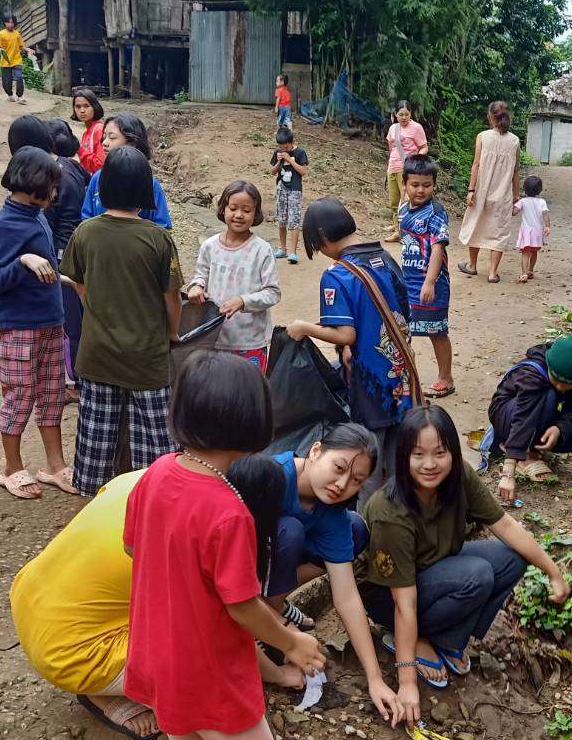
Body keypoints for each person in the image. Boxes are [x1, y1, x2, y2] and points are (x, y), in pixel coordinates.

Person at [125, 350, 325, 740]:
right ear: (251, 421)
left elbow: (133, 546)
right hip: (206, 669)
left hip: (158, 655)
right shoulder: (227, 510)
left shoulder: (157, 474)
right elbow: (241, 605)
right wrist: (291, 640)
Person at [10, 452, 290, 740]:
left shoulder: (151, 476)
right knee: (202, 657)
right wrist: (280, 673)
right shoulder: (200, 535)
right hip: (68, 651)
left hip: (31, 599)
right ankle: (99, 692)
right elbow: (228, 625)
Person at [360, 404, 570, 693]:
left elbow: (505, 525)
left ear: (453, 452)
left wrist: (553, 571)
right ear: (402, 455)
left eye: (440, 453)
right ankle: (413, 639)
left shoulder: (459, 477)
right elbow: (402, 603)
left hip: (435, 568)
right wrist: (406, 681)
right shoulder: (390, 512)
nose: (429, 464)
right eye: (418, 454)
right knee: (477, 574)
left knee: (512, 559)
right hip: (389, 595)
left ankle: (448, 640)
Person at [260, 425, 421, 724]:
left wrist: (375, 679)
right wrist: (285, 635)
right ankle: (270, 614)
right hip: (244, 563)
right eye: (338, 468)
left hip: (275, 563)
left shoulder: (330, 510)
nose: (342, 484)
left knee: (355, 528)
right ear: (316, 450)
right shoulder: (271, 479)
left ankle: (275, 602)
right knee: (290, 532)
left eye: (356, 480)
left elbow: (346, 595)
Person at [62, 146, 182, 495]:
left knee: (96, 441)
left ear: (103, 188)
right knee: (156, 442)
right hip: (148, 358)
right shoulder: (159, 239)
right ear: (146, 190)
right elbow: (171, 297)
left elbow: (78, 283)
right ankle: (153, 503)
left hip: (97, 356)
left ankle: (94, 504)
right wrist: (173, 332)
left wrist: (94, 309)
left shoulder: (85, 232)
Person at [286, 197, 412, 495]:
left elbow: (345, 334)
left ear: (323, 237)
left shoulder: (337, 274)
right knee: (398, 461)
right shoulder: (385, 257)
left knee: (365, 465)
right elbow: (402, 315)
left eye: (317, 246)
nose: (322, 253)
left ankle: (366, 519)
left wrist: (304, 328)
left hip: (369, 384)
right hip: (402, 378)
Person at [0, 146, 74, 499]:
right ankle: (11, 467)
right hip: (18, 325)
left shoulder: (37, 216)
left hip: (49, 321)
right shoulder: (3, 225)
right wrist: (24, 260)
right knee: (19, 396)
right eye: (51, 185)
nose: (55, 193)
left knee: (52, 395)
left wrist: (65, 280)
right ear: (35, 182)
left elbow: (44, 268)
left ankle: (55, 464)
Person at [489, 335, 572, 503]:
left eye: (568, 384)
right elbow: (523, 417)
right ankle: (521, 453)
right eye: (556, 379)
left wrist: (560, 428)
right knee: (549, 394)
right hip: (509, 416)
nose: (561, 386)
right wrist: (508, 472)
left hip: (539, 418)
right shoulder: (532, 373)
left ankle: (532, 445)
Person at [185, 181, 279, 372]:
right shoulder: (210, 246)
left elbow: (273, 293)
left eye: (246, 210)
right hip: (213, 338)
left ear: (256, 213)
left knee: (247, 389)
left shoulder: (262, 250)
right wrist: (196, 286)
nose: (239, 214)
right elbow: (200, 275)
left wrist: (243, 301)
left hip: (249, 341)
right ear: (223, 209)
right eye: (233, 208)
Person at [398, 154, 454, 398]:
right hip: (408, 282)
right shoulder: (403, 210)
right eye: (415, 184)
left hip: (433, 284)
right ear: (405, 185)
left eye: (427, 185)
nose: (421, 190)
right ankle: (403, 377)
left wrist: (429, 282)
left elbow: (438, 248)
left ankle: (446, 378)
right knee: (403, 330)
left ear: (434, 185)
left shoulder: (436, 213)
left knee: (436, 331)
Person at [43, 118, 87, 391]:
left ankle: (72, 381)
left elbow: (52, 219)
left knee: (70, 320)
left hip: (62, 250)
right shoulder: (78, 168)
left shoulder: (57, 173)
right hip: (77, 247)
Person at [458, 99, 522, 284]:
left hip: (482, 192)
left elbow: (476, 165)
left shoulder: (483, 137)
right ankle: (493, 273)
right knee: (499, 232)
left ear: (490, 116)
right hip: (503, 195)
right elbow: (515, 171)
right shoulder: (515, 141)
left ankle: (472, 265)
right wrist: (516, 196)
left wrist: (471, 190)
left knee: (475, 225)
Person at [79, 111, 172, 228]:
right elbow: (86, 216)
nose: (104, 143)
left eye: (112, 137)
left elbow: (162, 226)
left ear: (132, 142)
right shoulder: (97, 178)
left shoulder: (151, 184)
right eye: (104, 137)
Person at [384, 101, 428, 239]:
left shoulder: (416, 128)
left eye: (406, 114)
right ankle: (397, 227)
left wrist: (415, 160)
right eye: (401, 114)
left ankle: (403, 232)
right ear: (395, 115)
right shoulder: (393, 128)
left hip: (408, 169)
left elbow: (424, 147)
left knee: (405, 202)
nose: (404, 117)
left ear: (411, 114)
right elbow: (391, 147)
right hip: (392, 167)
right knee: (394, 201)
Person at [270, 125, 308, 264]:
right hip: (281, 188)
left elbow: (303, 171)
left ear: (291, 142)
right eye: (280, 147)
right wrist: (279, 161)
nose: (283, 150)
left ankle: (293, 252)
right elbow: (272, 172)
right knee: (282, 219)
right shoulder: (278, 152)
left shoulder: (300, 152)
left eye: (285, 147)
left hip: (295, 189)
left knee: (294, 219)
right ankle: (283, 249)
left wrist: (290, 160)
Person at [514, 174, 550, 283]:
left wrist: (514, 202)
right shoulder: (542, 202)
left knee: (525, 252)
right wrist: (547, 226)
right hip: (537, 231)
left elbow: (514, 212)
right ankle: (530, 270)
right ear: (540, 190)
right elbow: (545, 214)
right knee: (534, 252)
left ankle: (524, 273)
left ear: (524, 189)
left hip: (526, 231)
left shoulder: (523, 201)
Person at [72, 88, 106, 175]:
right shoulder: (85, 133)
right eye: (78, 107)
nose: (82, 111)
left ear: (94, 107)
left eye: (86, 106)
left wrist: (79, 149)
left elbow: (100, 166)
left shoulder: (99, 130)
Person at [0, 14, 26, 102]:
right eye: (8, 22)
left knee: (19, 78)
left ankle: (20, 96)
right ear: (5, 23)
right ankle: (10, 95)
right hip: (5, 61)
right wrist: (0, 50)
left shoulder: (17, 34)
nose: (10, 24)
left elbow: (21, 46)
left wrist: (28, 50)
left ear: (15, 23)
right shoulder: (1, 34)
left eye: (12, 22)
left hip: (17, 60)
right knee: (7, 82)